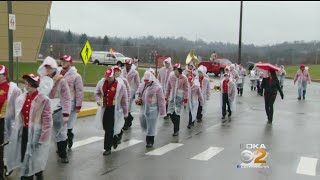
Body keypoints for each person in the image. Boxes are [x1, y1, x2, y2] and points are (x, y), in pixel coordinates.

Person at [5, 74, 51, 180]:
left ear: (35, 84)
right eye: (26, 82)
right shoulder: (22, 98)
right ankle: (30, 174)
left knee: (33, 157)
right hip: (25, 131)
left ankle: (36, 174)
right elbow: (17, 114)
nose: (26, 85)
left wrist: (43, 137)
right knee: (24, 156)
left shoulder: (44, 99)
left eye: (29, 82)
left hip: (37, 132)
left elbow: (47, 120)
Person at [37, 56, 71, 163]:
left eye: (49, 68)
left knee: (60, 134)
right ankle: (39, 157)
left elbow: (66, 98)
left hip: (57, 111)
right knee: (41, 134)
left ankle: (63, 154)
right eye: (46, 68)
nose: (47, 70)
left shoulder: (61, 81)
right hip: (44, 111)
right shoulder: (41, 80)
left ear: (54, 69)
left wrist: (66, 114)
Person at [95, 68, 128, 155]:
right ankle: (114, 138)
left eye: (110, 77)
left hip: (115, 108)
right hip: (105, 107)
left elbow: (124, 100)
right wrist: (99, 101)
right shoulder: (102, 82)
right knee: (106, 126)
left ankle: (107, 148)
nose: (108, 79)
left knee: (110, 128)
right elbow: (97, 93)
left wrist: (125, 112)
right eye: (107, 77)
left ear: (114, 76)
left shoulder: (120, 85)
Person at [0, 65, 22, 180]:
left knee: (4, 148)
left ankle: (5, 168)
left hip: (5, 123)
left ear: (5, 76)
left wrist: (15, 124)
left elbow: (18, 108)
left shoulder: (13, 90)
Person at [135, 71, 166, 147]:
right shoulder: (142, 85)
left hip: (153, 109)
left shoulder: (157, 87)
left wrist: (163, 112)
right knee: (142, 119)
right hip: (143, 107)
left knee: (151, 125)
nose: (146, 82)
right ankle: (147, 132)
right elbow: (137, 93)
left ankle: (150, 141)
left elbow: (161, 100)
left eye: (147, 81)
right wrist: (137, 98)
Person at [59, 55, 84, 149]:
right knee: (59, 126)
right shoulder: (58, 73)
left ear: (70, 63)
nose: (64, 62)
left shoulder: (76, 76)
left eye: (66, 61)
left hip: (71, 103)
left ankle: (68, 139)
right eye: (62, 61)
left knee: (68, 125)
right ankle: (60, 145)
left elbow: (79, 91)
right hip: (58, 103)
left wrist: (78, 105)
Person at [165, 63, 189, 136]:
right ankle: (176, 126)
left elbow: (186, 89)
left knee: (177, 113)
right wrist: (166, 97)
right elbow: (168, 88)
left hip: (179, 97)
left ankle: (176, 130)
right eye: (174, 70)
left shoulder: (184, 78)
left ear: (179, 70)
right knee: (170, 112)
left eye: (176, 70)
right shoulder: (171, 77)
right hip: (172, 96)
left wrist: (185, 100)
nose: (175, 71)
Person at [121, 59, 140, 130]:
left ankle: (126, 123)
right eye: (126, 64)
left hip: (131, 91)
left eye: (128, 64)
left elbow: (137, 83)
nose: (127, 66)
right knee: (123, 107)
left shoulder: (135, 73)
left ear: (131, 65)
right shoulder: (122, 71)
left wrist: (137, 93)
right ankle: (130, 118)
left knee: (127, 107)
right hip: (123, 91)